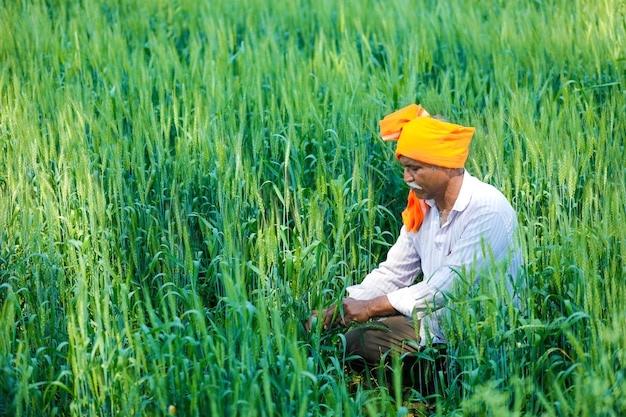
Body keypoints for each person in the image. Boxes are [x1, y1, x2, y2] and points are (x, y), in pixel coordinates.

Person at [307, 104, 523, 391]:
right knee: (352, 339)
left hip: (482, 344)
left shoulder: (487, 210)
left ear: (443, 164)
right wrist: (341, 308)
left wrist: (371, 308)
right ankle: (418, 384)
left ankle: (442, 388)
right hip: (435, 325)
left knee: (362, 340)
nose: (406, 177)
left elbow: (445, 288)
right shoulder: (423, 207)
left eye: (414, 168)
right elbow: (394, 273)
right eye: (405, 168)